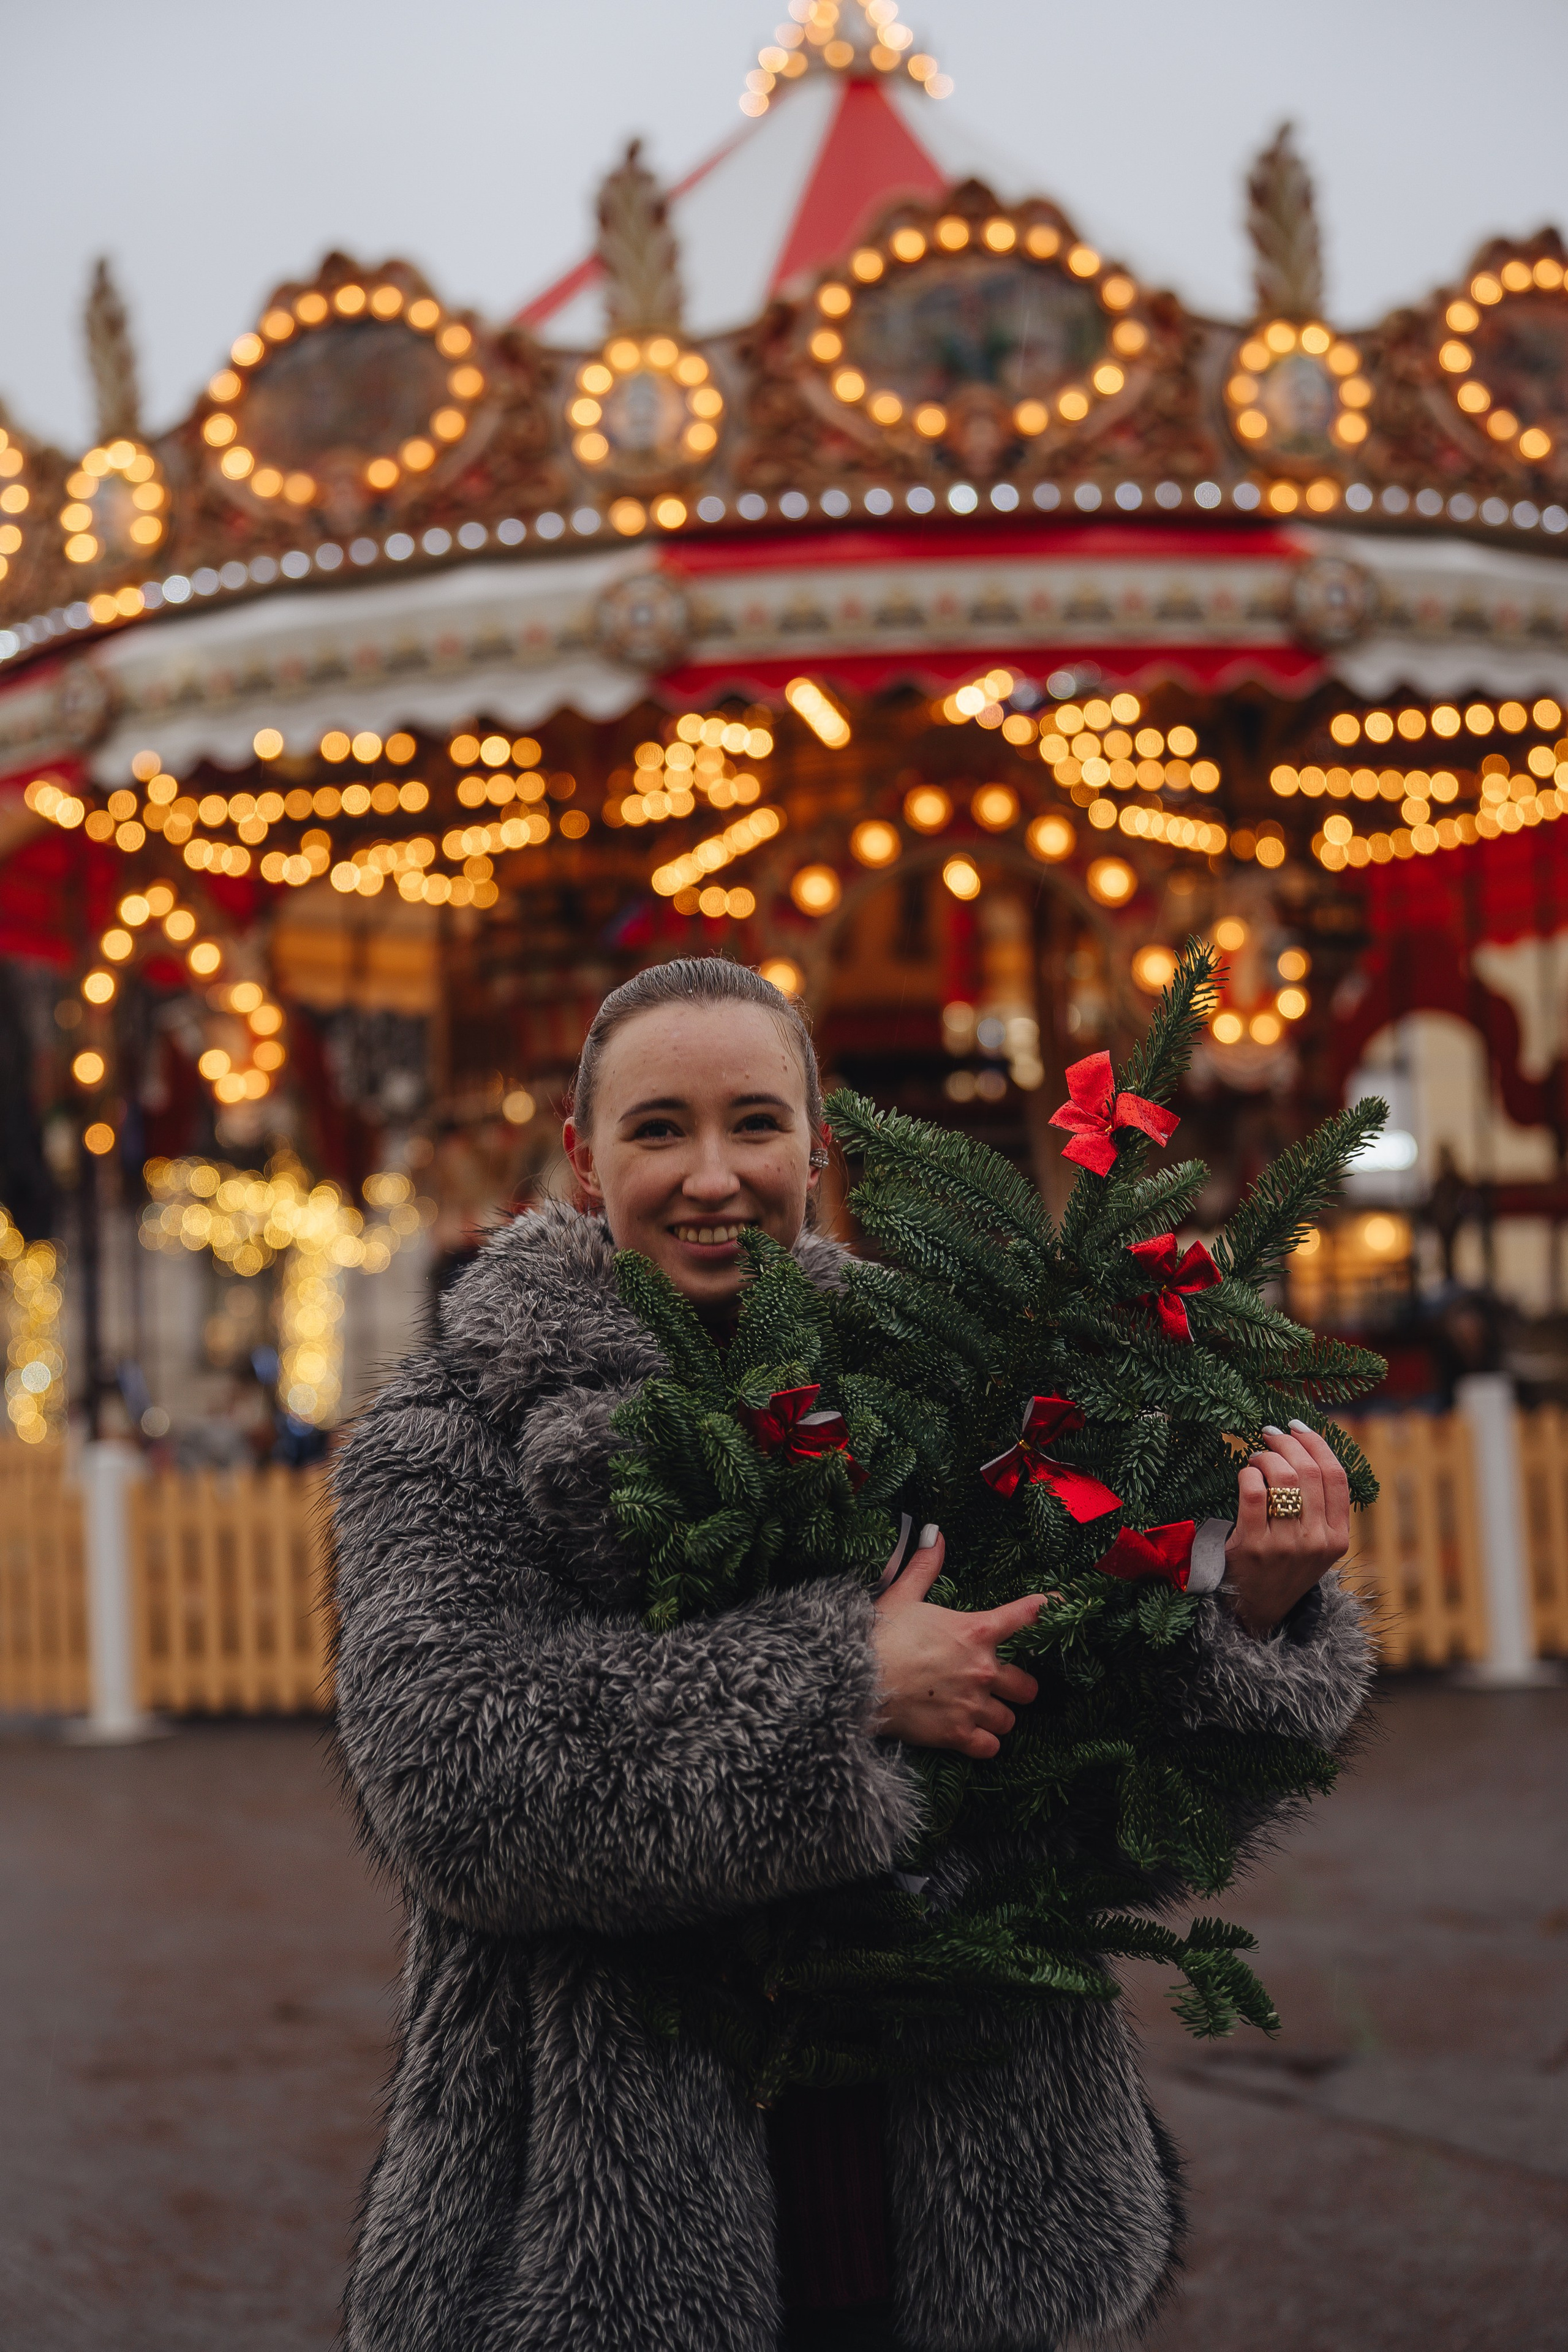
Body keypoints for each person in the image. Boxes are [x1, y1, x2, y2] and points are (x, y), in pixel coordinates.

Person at [331, 957, 1370, 2352]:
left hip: (957, 2210)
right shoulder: (449, 1435)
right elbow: (456, 1789)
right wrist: (844, 1688)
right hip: (608, 2244)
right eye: (658, 1130)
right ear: (583, 1161)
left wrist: (1245, 1618)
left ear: (816, 1150)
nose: (713, 1175)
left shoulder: (936, 1395)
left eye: (754, 1124)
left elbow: (1112, 1822)